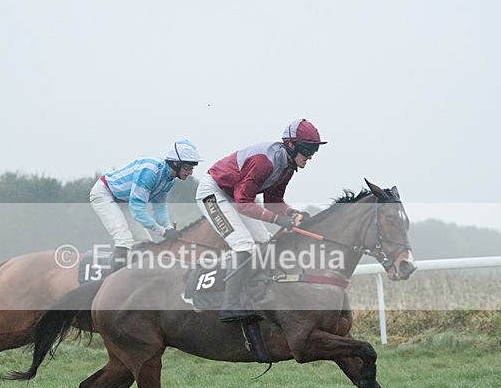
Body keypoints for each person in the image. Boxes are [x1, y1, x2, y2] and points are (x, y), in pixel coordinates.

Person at [196, 119, 327, 325]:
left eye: (314, 150)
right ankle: (229, 305)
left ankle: (254, 293)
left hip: (235, 196)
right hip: (214, 192)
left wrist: (293, 213)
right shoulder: (264, 161)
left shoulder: (287, 167)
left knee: (264, 242)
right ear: (291, 146)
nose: (310, 156)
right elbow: (244, 204)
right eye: (307, 149)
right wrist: (278, 220)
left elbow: (273, 202)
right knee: (244, 244)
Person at [89, 140, 202, 273]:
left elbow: (159, 209)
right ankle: (105, 284)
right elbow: (137, 211)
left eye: (193, 168)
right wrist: (162, 231)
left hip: (124, 201)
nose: (190, 172)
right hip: (104, 194)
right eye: (188, 167)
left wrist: (169, 227)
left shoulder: (169, 181)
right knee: (124, 240)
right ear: (175, 163)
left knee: (146, 244)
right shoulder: (150, 172)